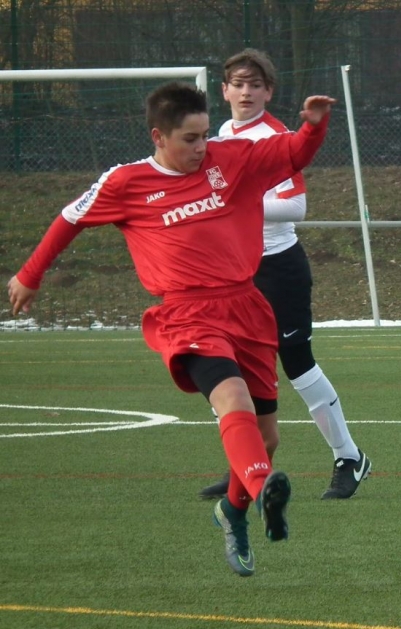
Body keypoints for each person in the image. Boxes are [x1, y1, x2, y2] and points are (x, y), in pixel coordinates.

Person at [7, 81, 336, 578]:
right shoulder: (125, 182)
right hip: (187, 315)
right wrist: (30, 275)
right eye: (190, 139)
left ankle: (233, 510)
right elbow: (69, 219)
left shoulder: (232, 158)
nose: (202, 147)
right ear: (159, 137)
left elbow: (292, 154)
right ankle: (263, 487)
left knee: (267, 437)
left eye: (204, 135)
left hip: (248, 308)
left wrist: (312, 126)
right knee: (232, 399)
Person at [197, 48, 371, 502]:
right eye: (238, 84)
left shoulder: (275, 135)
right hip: (234, 272)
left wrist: (236, 203)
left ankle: (349, 457)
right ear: (224, 90)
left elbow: (296, 206)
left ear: (269, 92)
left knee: (297, 364)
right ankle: (245, 466)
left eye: (255, 85)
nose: (246, 92)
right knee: (228, 369)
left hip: (278, 268)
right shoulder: (222, 133)